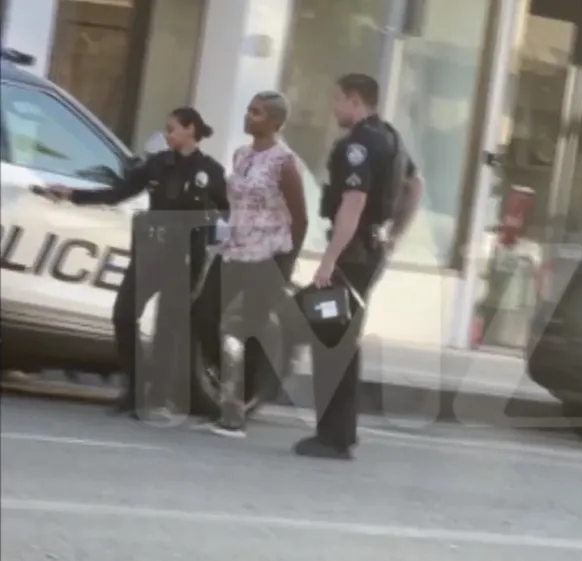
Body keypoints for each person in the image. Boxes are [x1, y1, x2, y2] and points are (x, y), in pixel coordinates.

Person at [43, 107, 229, 418]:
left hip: (184, 258)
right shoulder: (157, 164)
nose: (167, 134)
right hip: (150, 252)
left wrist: (217, 241)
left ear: (190, 130)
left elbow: (227, 212)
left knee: (167, 328)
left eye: (172, 129)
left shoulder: (210, 171)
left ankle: (155, 398)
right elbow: (119, 193)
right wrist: (72, 194)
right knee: (125, 315)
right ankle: (134, 387)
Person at [293, 73, 423, 460]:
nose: (334, 109)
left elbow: (353, 204)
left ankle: (333, 437)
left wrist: (329, 260)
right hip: (370, 251)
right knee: (337, 336)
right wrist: (394, 236)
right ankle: (339, 433)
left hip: (351, 255)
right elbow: (414, 187)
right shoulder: (391, 137)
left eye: (337, 100)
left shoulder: (360, 144)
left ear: (354, 100)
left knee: (332, 338)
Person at [193, 90, 308, 438]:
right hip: (233, 250)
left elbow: (299, 218)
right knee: (202, 314)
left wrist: (286, 264)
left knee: (237, 326)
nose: (248, 116)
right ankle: (230, 382)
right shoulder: (241, 154)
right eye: (248, 110)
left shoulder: (284, 162)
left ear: (274, 121)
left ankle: (234, 412)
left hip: (266, 255)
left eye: (256, 112)